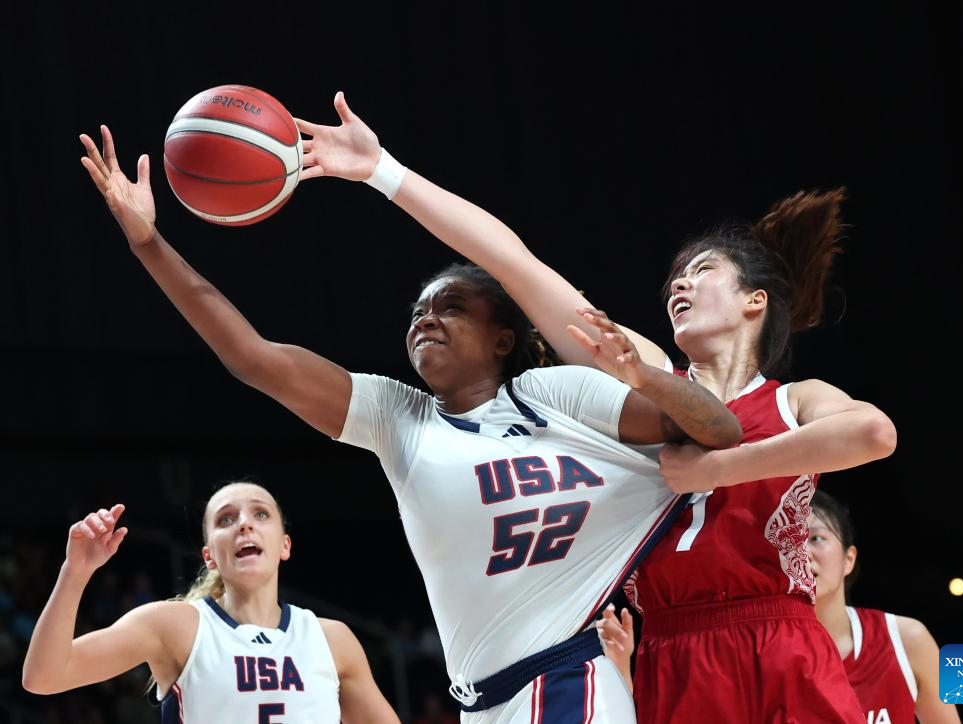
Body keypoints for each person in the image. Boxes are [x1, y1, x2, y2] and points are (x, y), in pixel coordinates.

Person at [76, 124, 741, 723]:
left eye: (451, 307)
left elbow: (718, 429)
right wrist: (148, 242)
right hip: (483, 703)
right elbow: (253, 358)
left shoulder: (553, 394)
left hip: (571, 679)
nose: (426, 318)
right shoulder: (399, 418)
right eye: (418, 311)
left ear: (503, 338)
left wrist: (644, 374)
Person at [296, 91, 898, 721]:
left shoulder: (793, 400)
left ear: (755, 301)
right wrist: (383, 171)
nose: (679, 282)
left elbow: (873, 433)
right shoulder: (640, 371)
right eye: (675, 276)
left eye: (702, 270)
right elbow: (512, 262)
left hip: (779, 639)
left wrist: (720, 467)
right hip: (669, 652)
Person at [22, 482, 399, 723]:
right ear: (210, 556)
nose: (245, 524)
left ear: (285, 544)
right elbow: (44, 677)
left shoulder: (332, 640)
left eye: (260, 514)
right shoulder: (175, 626)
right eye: (226, 519)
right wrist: (75, 572)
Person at [808, 490, 960, 724]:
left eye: (816, 538)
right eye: (789, 543)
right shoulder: (762, 651)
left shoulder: (908, 639)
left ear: (849, 559)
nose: (802, 553)